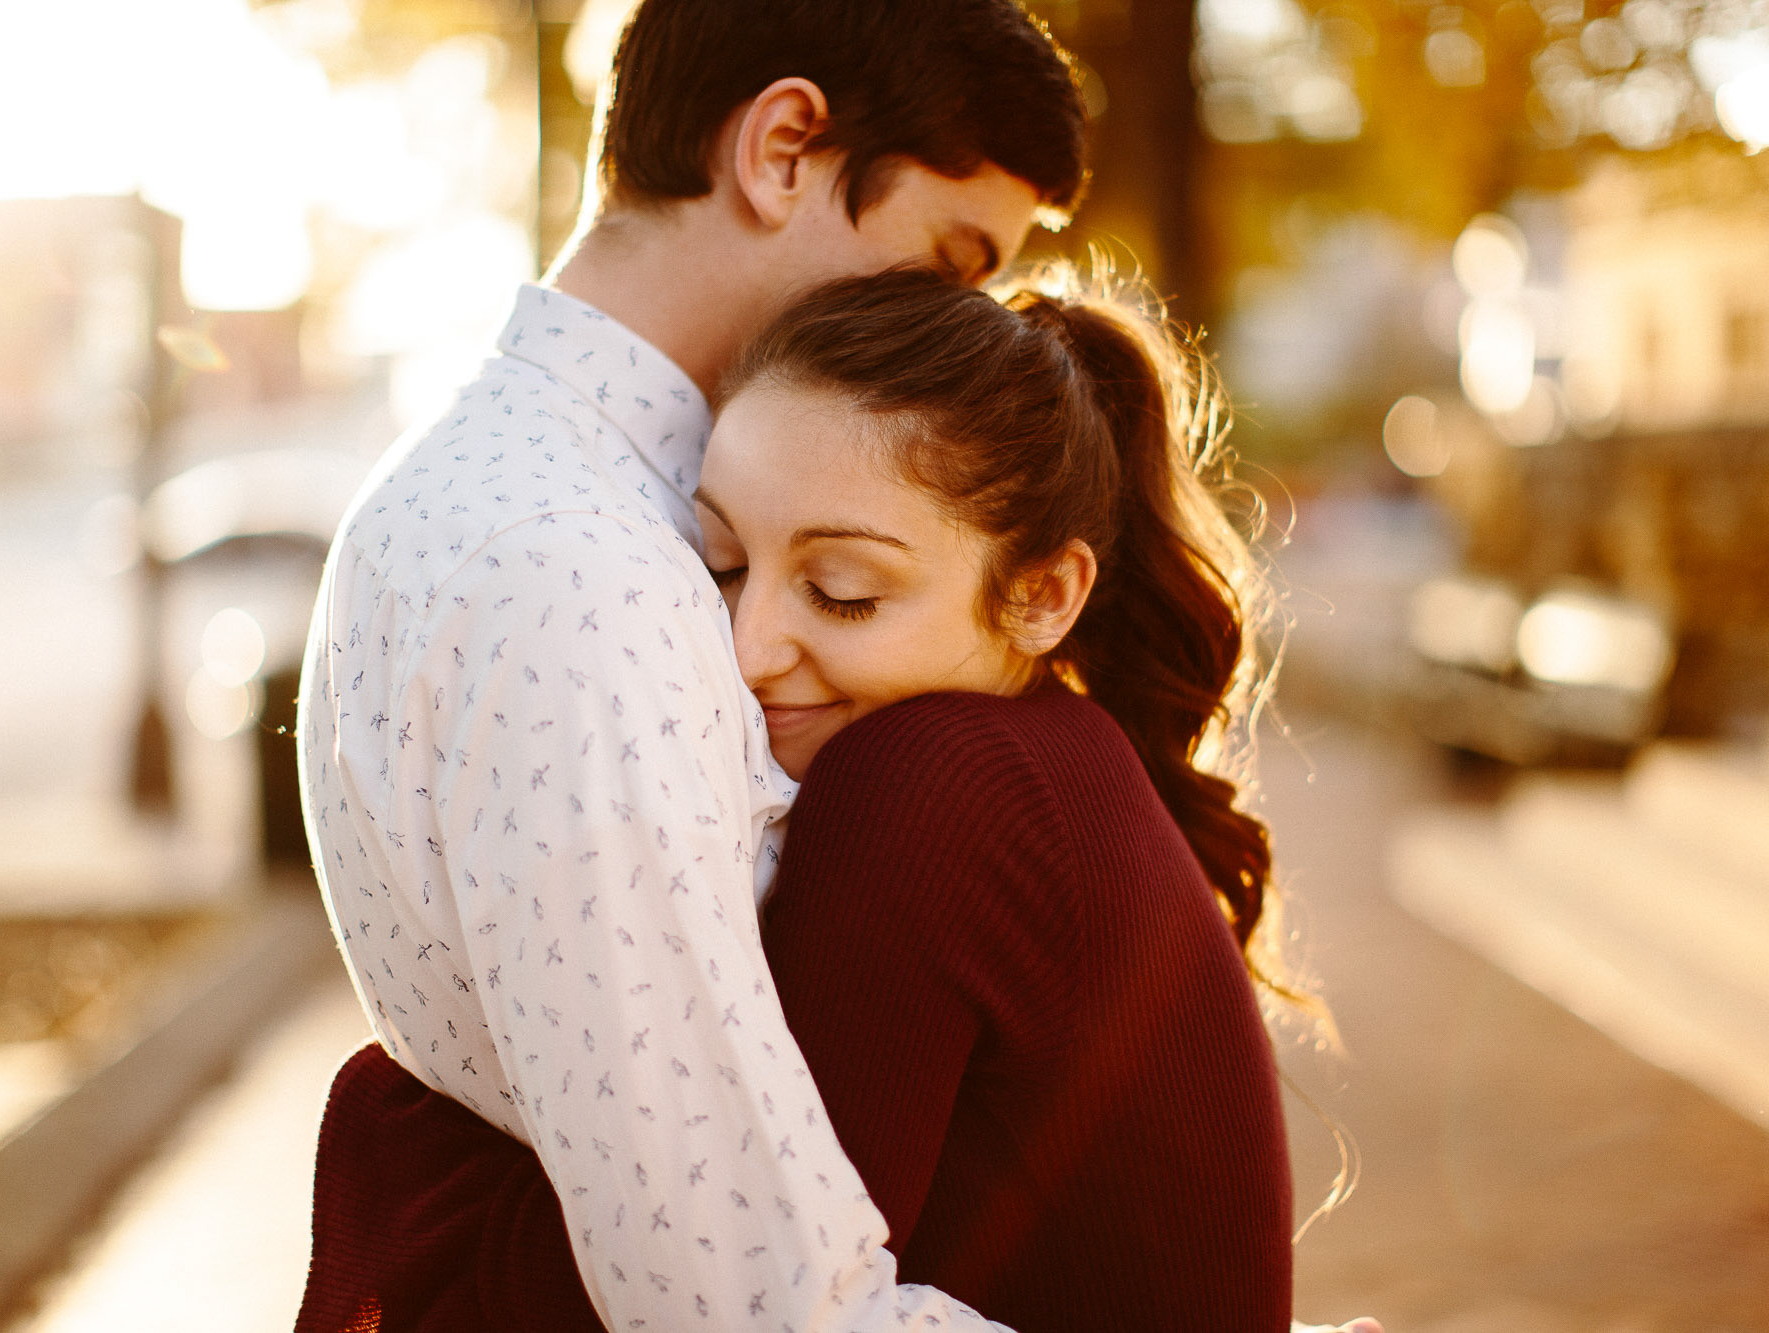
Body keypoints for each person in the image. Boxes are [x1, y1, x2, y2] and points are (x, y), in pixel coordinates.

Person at [297, 1, 1383, 1329]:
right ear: (785, 148)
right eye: (946, 262)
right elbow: (744, 1304)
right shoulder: (582, 572)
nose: (950, 331)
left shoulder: (502, 507)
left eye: (842, 586)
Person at [700, 264, 1294, 1329]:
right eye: (723, 562)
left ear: (1039, 595)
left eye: (843, 593)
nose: (746, 650)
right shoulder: (1054, 756)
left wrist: (403, 1124)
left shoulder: (935, 776)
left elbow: (748, 1293)